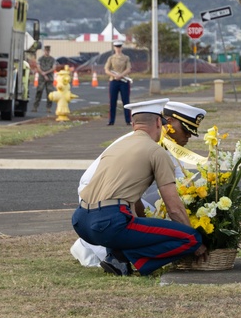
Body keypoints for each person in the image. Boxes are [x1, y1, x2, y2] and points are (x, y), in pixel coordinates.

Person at [72, 98, 207, 276]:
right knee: (191, 238)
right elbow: (173, 208)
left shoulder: (119, 144)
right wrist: (196, 241)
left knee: (137, 222)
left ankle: (116, 255)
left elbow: (132, 197)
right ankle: (122, 257)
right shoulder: (156, 150)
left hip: (81, 221)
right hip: (109, 222)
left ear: (134, 124)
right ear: (160, 122)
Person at [104, 40, 132, 126]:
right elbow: (106, 69)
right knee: (112, 101)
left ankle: (128, 120)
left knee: (126, 101)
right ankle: (111, 120)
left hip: (124, 81)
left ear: (122, 47)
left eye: (119, 47)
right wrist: (114, 75)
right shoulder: (111, 58)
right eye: (116, 47)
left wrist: (121, 75)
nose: (118, 49)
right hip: (114, 81)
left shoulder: (126, 58)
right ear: (114, 48)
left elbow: (128, 69)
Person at [32, 44, 56, 113]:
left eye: (48, 51)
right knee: (39, 91)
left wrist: (46, 73)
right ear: (44, 51)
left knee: (50, 93)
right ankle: (35, 106)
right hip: (41, 78)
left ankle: (48, 107)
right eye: (46, 51)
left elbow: (53, 68)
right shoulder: (40, 59)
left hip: (49, 78)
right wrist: (43, 73)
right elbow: (38, 67)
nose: (47, 52)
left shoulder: (52, 59)